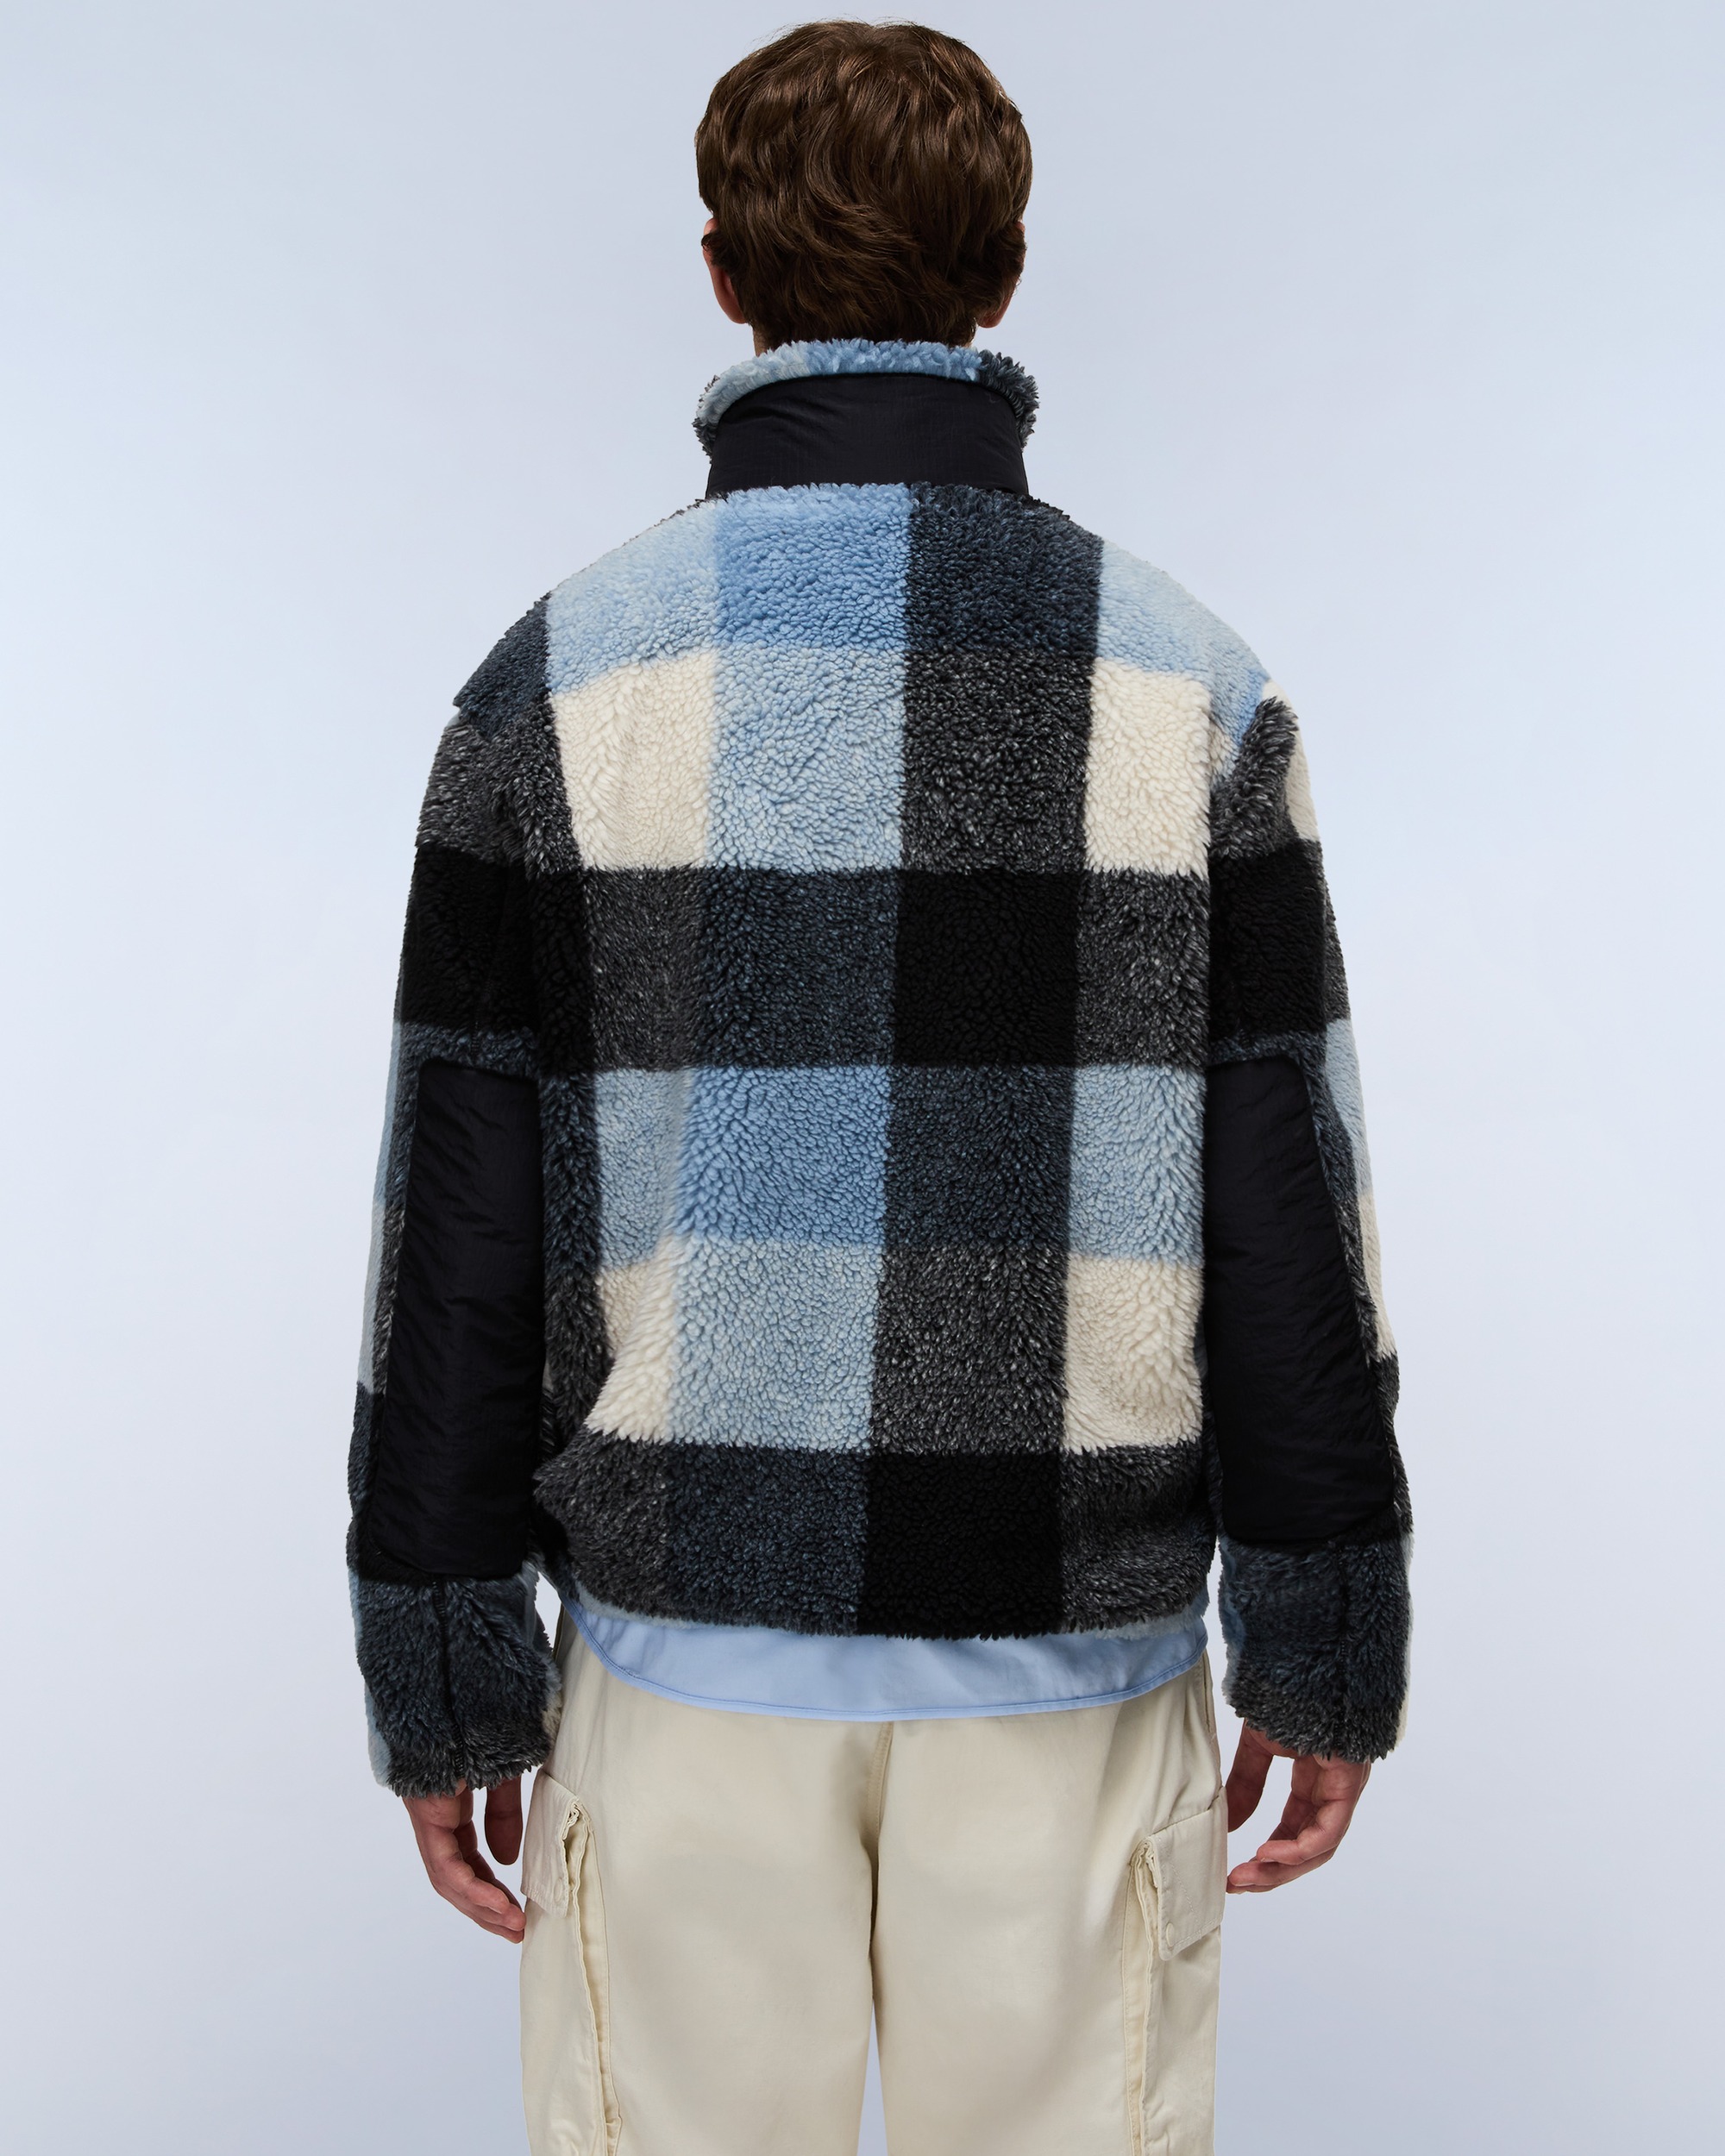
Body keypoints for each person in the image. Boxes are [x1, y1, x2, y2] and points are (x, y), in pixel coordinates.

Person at [347, 22, 1412, 2155]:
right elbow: (1281, 1199)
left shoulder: (551, 684)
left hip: (680, 1673)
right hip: (1068, 1670)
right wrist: (1323, 1623)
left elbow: (461, 1223)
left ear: (724, 275)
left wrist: (444, 1656)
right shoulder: (1189, 686)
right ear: (1001, 277)